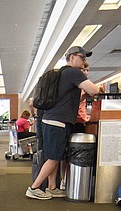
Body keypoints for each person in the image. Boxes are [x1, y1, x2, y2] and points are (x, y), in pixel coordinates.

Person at [27, 46, 99, 200]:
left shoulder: (61, 74)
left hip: (50, 119)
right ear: (72, 57)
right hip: (57, 122)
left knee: (54, 155)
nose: (84, 61)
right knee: (54, 157)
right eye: (82, 57)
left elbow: (66, 100)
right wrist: (93, 88)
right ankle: (34, 187)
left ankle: (52, 187)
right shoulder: (73, 72)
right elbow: (94, 90)